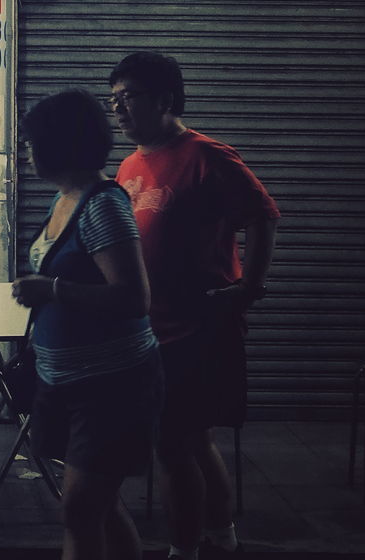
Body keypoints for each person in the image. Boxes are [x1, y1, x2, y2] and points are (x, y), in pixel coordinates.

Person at [108, 52, 280, 560]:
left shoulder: (207, 156)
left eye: (128, 98)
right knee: (193, 441)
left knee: (174, 446)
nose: (117, 109)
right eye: (112, 99)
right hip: (148, 328)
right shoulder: (130, 163)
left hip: (195, 329)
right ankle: (221, 533)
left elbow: (264, 216)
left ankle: (184, 549)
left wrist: (250, 286)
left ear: (164, 99)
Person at [11, 89, 162, 560]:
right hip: (65, 382)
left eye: (33, 143)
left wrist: (50, 289)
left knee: (80, 511)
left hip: (110, 386)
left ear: (59, 145)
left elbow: (134, 299)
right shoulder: (66, 199)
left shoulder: (101, 205)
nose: (27, 152)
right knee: (98, 505)